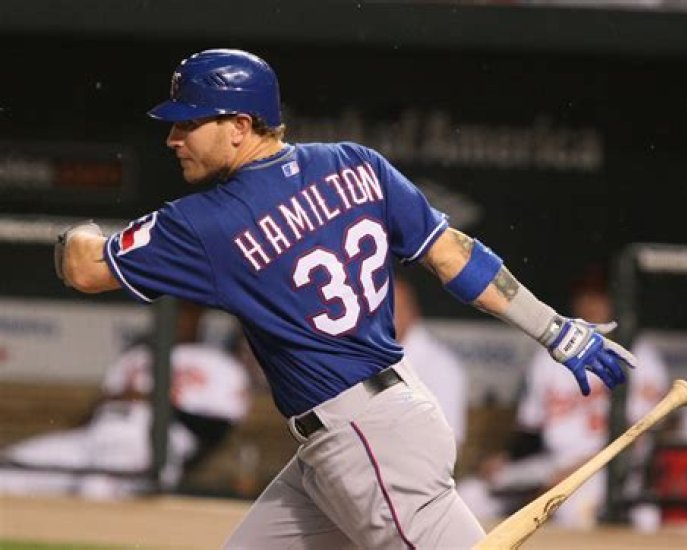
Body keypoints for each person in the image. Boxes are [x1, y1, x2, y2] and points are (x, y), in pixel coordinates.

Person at [54, 48, 637, 548]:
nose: (173, 138)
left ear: (239, 125)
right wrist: (552, 327)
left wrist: (75, 230)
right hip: (371, 425)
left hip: (365, 441)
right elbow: (452, 255)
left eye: (188, 123)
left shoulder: (207, 222)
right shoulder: (357, 163)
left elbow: (84, 268)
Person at [457, 268, 669, 529]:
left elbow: (637, 438)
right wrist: (505, 459)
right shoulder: (549, 357)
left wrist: (572, 474)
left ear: (615, 303)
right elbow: (530, 430)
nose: (590, 304)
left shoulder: (639, 358)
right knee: (470, 496)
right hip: (552, 463)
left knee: (575, 511)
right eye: (584, 296)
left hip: (611, 472)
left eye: (598, 297)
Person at [0, 302, 251, 500]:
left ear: (198, 317)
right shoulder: (137, 355)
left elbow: (216, 428)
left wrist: (155, 402)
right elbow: (94, 412)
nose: (175, 319)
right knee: (9, 469)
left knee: (96, 491)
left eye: (184, 312)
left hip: (145, 441)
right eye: (171, 311)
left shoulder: (219, 365)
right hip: (94, 436)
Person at [394, 274, 468, 447]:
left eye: (393, 310)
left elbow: (449, 440)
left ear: (413, 313)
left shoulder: (440, 365)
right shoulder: (366, 356)